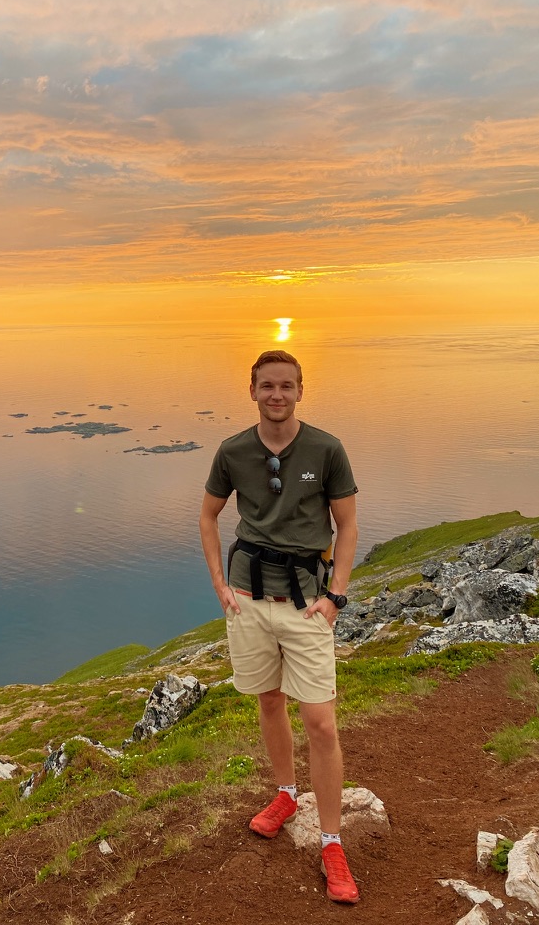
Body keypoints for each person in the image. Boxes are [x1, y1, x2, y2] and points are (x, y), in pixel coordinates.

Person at [199, 349, 360, 904]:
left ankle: (332, 841)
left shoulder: (326, 448)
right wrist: (220, 585)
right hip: (247, 598)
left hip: (306, 602)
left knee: (320, 721)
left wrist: (336, 595)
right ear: (252, 391)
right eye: (267, 385)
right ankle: (287, 793)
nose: (277, 394)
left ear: (299, 390)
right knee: (268, 700)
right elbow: (208, 515)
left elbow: (347, 524)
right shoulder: (233, 451)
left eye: (287, 386)